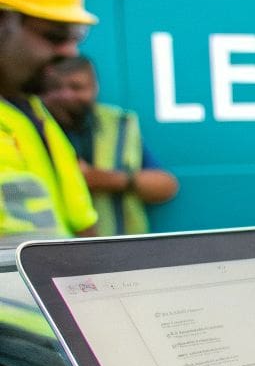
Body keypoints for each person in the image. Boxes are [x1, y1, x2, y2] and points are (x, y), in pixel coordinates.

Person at [0, 0, 98, 240]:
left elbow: (81, 223)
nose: (70, 53)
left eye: (74, 38)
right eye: (54, 36)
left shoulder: (31, 110)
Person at [42, 55, 179, 234]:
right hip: (48, 250)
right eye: (54, 88)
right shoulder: (28, 126)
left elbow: (166, 185)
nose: (65, 96)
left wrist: (107, 179)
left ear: (94, 87)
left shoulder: (117, 124)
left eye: (76, 87)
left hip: (115, 251)